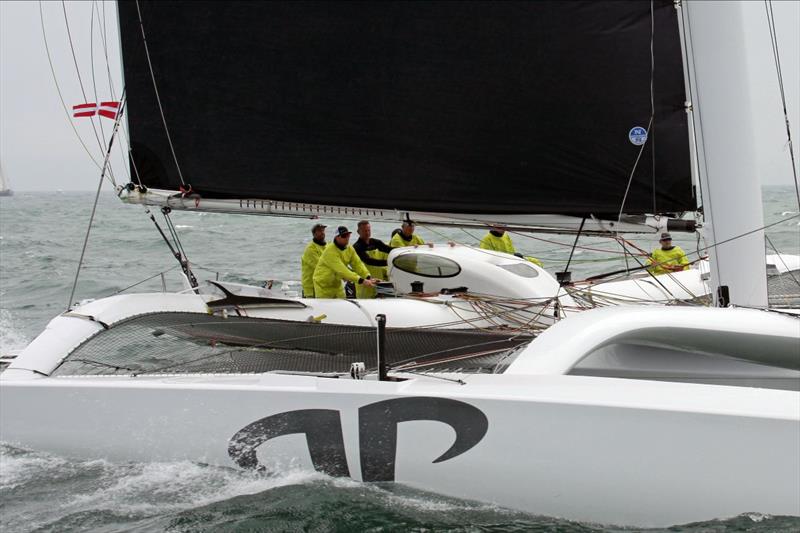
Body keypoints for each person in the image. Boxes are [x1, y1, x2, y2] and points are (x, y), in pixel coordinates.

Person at [313, 226, 377, 298]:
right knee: (326, 308)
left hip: (337, 284)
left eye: (348, 235)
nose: (347, 238)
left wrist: (368, 277)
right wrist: (361, 281)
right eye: (344, 236)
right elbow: (342, 270)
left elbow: (358, 264)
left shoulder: (349, 249)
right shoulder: (330, 252)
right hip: (323, 286)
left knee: (342, 306)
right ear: (337, 237)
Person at [353, 220, 394, 298]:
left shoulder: (375, 242)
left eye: (369, 230)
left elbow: (389, 249)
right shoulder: (357, 247)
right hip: (365, 284)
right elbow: (369, 261)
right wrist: (389, 262)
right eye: (365, 231)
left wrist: (406, 249)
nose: (367, 233)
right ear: (358, 232)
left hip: (378, 282)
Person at [300, 223, 327, 298]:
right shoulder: (310, 249)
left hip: (322, 286)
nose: (322, 232)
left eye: (323, 230)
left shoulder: (326, 246)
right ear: (314, 234)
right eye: (319, 231)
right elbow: (320, 266)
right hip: (311, 287)